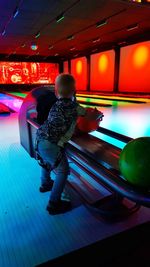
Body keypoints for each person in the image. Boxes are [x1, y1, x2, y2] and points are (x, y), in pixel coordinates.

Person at [36, 74, 103, 215]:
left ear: (56, 92)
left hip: (40, 138)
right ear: (74, 91)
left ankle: (45, 184)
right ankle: (54, 203)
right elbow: (89, 116)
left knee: (46, 162)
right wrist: (98, 115)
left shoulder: (55, 105)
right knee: (63, 171)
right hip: (52, 144)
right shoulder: (74, 107)